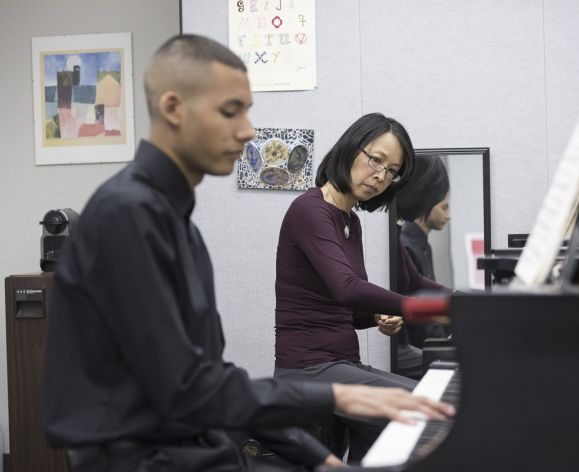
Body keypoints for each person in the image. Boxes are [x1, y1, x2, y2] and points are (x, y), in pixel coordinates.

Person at [42, 35, 454, 472]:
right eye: (230, 111)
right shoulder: (128, 216)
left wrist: (321, 459)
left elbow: (208, 379)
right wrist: (336, 394)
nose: (249, 131)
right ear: (173, 108)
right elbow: (186, 389)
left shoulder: (172, 220)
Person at [273, 113, 448, 463]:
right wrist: (414, 307)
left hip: (339, 362)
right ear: (350, 149)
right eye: (376, 160)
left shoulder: (349, 219)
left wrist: (379, 315)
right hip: (308, 368)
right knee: (424, 411)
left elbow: (347, 309)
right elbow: (348, 288)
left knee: (394, 436)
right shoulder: (311, 210)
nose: (381, 175)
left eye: (392, 170)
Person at [397, 155, 452, 354]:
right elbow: (421, 320)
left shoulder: (421, 245)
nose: (449, 215)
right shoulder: (406, 244)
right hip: (414, 345)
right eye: (444, 207)